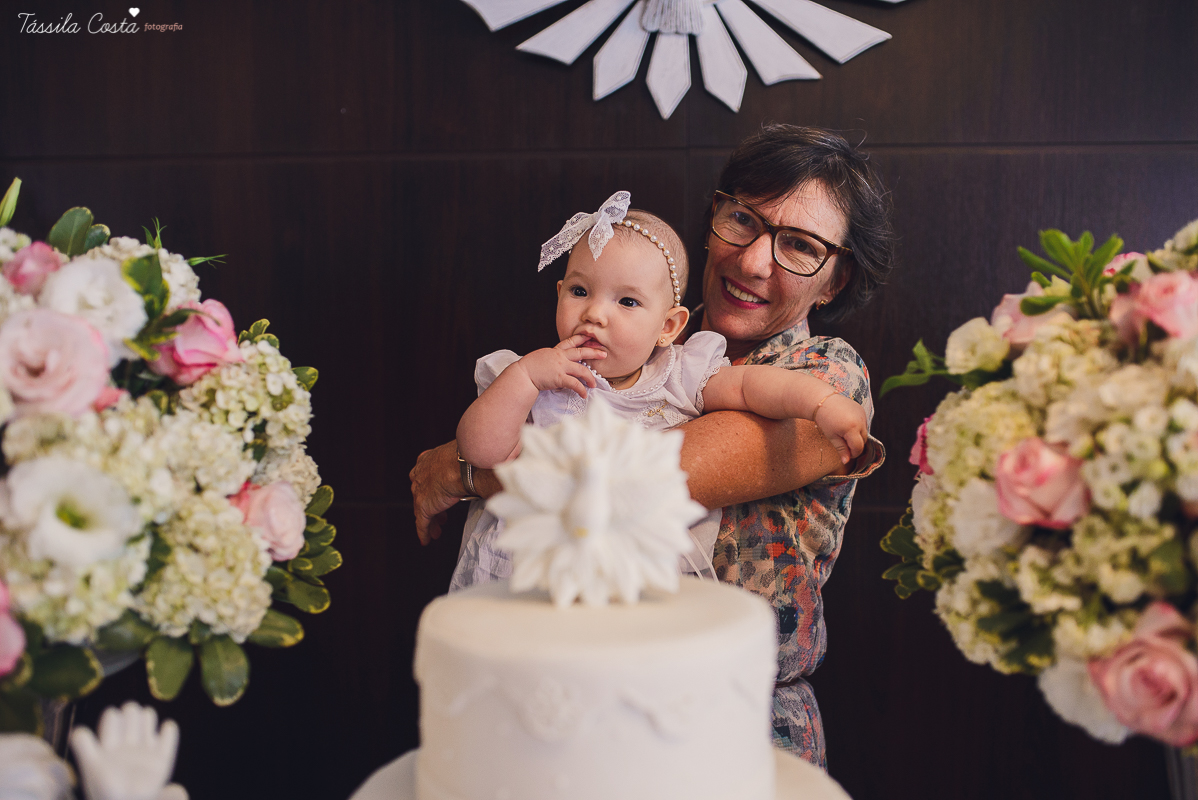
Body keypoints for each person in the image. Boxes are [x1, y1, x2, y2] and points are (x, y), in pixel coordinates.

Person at [411, 124, 895, 768]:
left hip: (729, 716)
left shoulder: (825, 375)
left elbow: (635, 477)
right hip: (573, 691)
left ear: (833, 282)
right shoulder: (633, 338)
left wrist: (463, 470)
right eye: (742, 219)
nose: (753, 260)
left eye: (800, 247)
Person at [451, 192, 868, 591]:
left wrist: (821, 402)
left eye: (627, 302)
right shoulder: (532, 376)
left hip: (629, 584)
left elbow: (747, 385)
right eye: (580, 292)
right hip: (527, 575)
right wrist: (524, 377)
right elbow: (478, 451)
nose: (595, 313)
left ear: (669, 327)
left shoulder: (678, 373)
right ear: (559, 294)